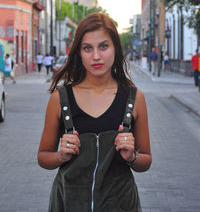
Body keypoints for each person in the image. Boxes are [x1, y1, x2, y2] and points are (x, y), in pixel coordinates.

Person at [38, 13, 152, 212]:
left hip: (121, 204)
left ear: (115, 48)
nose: (96, 56)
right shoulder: (60, 98)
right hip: (68, 204)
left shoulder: (135, 98)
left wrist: (132, 157)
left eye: (104, 46)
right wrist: (61, 156)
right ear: (79, 52)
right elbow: (43, 156)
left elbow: (146, 160)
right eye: (87, 48)